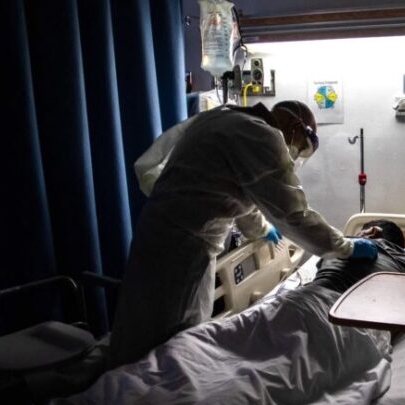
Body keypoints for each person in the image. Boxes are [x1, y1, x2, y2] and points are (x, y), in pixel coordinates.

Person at [109, 100, 379, 366]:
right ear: (296, 127)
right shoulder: (262, 137)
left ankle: (125, 385)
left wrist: (262, 229)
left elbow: (240, 194)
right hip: (182, 250)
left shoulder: (226, 119)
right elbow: (295, 215)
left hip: (158, 232)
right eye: (301, 147)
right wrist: (346, 247)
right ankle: (145, 397)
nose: (295, 154)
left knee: (138, 329)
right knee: (168, 343)